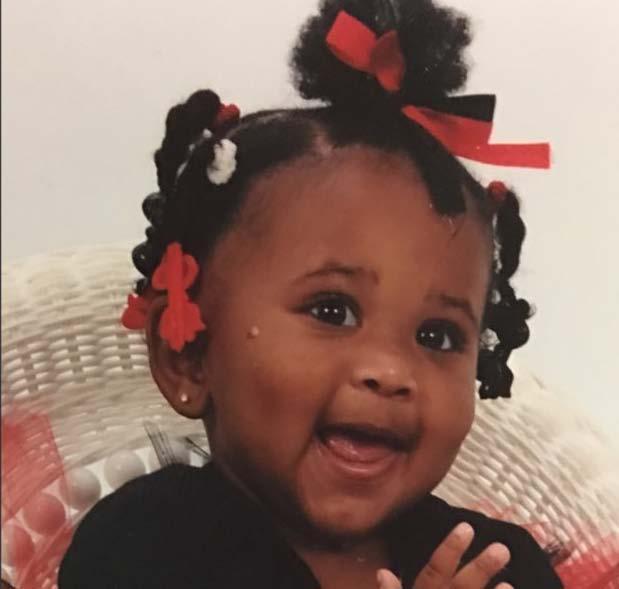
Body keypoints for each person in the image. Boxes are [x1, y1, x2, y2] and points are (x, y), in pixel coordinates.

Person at [58, 0, 563, 587]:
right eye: (333, 311)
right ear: (188, 355)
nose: (390, 371)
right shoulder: (145, 545)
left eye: (438, 335)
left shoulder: (493, 563)